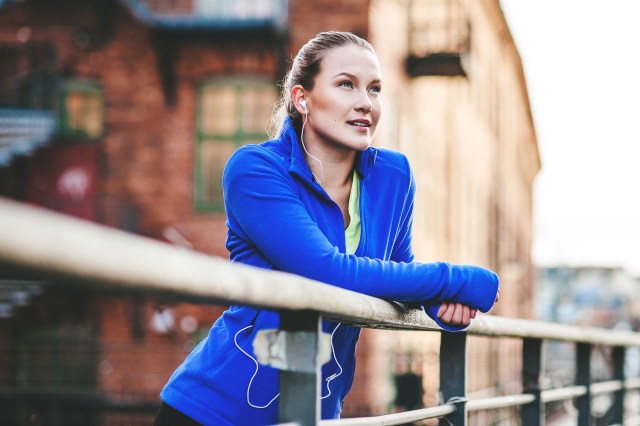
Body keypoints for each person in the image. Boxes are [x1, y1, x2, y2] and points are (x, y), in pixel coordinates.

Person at [156, 31, 500, 425]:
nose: (364, 103)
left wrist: (439, 305)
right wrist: (454, 279)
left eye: (374, 89)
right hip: (214, 410)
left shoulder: (394, 176)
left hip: (313, 411)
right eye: (346, 85)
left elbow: (400, 269)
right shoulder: (255, 170)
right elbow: (325, 271)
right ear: (302, 99)